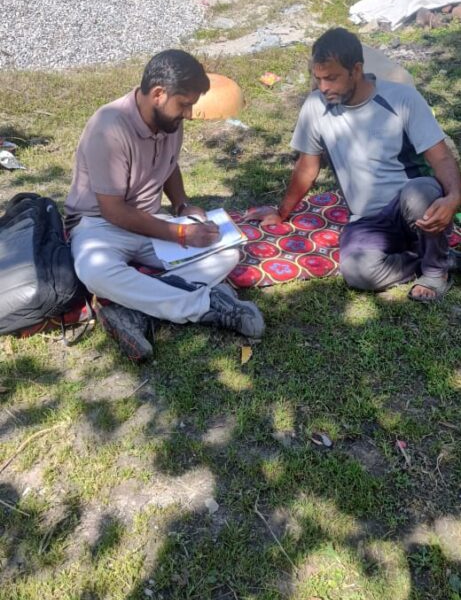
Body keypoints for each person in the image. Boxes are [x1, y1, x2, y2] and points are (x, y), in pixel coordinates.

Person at [65, 50, 264, 360]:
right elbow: (113, 210)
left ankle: (134, 311)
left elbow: (169, 165)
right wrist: (180, 234)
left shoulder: (169, 121)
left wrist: (182, 205)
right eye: (184, 104)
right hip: (98, 225)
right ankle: (207, 306)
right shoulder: (108, 128)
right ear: (158, 94)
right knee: (95, 271)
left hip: (149, 222)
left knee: (227, 251)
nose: (188, 114)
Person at [252, 27, 461, 303]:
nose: (323, 87)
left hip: (412, 208)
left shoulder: (402, 99)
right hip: (368, 220)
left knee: (419, 193)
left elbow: (441, 157)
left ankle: (435, 272)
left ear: (357, 70)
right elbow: (306, 167)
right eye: (318, 78)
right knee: (358, 272)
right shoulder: (315, 106)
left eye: (332, 78)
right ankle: (436, 257)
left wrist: (454, 198)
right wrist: (281, 212)